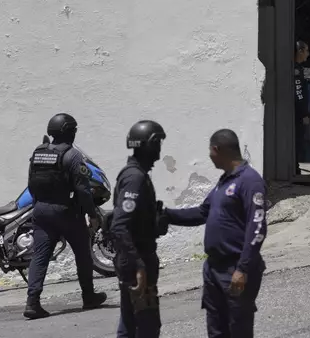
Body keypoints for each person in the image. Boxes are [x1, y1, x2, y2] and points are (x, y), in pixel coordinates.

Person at [161, 129, 268, 338]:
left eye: (210, 151)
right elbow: (203, 212)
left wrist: (242, 269)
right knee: (216, 329)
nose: (209, 156)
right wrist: (166, 215)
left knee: (238, 328)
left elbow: (257, 228)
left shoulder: (250, 181)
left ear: (217, 149)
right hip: (214, 268)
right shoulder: (225, 181)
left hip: (235, 268)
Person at [24, 113, 106, 319]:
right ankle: (88, 296)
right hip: (66, 212)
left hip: (41, 211)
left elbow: (31, 184)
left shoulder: (38, 153)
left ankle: (32, 302)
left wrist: (39, 207)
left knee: (39, 257)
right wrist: (93, 214)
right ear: (69, 132)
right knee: (83, 253)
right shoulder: (73, 156)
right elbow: (83, 190)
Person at [111, 120, 168, 338]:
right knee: (146, 325)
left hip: (135, 257)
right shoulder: (135, 177)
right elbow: (119, 225)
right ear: (151, 145)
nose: (160, 150)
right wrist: (139, 265)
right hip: (137, 259)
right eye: (158, 143)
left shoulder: (136, 174)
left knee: (130, 321)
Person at [294, 40, 310, 175]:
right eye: (306, 51)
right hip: (297, 113)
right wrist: (304, 113)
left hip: (296, 112)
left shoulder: (297, 68)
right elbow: (298, 93)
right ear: (300, 51)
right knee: (297, 140)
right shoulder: (296, 70)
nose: (308, 54)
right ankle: (294, 168)